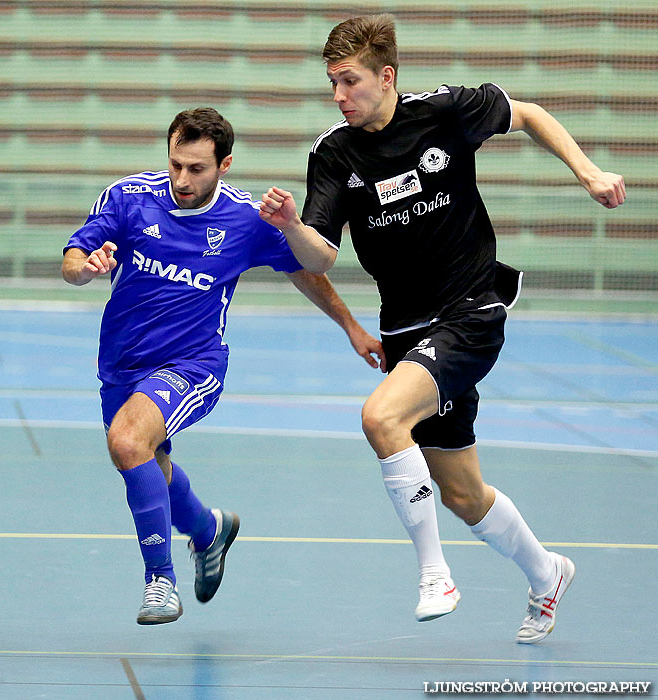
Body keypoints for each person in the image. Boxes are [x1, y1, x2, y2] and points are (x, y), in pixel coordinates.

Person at [259, 14, 625, 643]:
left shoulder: (446, 111)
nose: (339, 95)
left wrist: (587, 172)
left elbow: (530, 113)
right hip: (405, 329)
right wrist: (292, 226)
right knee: (461, 492)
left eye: (349, 81)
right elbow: (320, 255)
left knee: (380, 419)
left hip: (472, 308)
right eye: (332, 84)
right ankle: (547, 575)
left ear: (386, 76)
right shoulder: (332, 153)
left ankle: (435, 574)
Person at [62, 107, 383, 625]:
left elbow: (305, 269)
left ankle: (159, 581)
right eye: (175, 165)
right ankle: (208, 532)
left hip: (192, 363)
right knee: (149, 464)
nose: (181, 179)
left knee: (127, 442)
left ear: (224, 165)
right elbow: (73, 259)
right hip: (121, 364)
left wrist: (351, 326)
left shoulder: (243, 220)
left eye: (196, 169)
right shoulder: (128, 199)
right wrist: (87, 270)